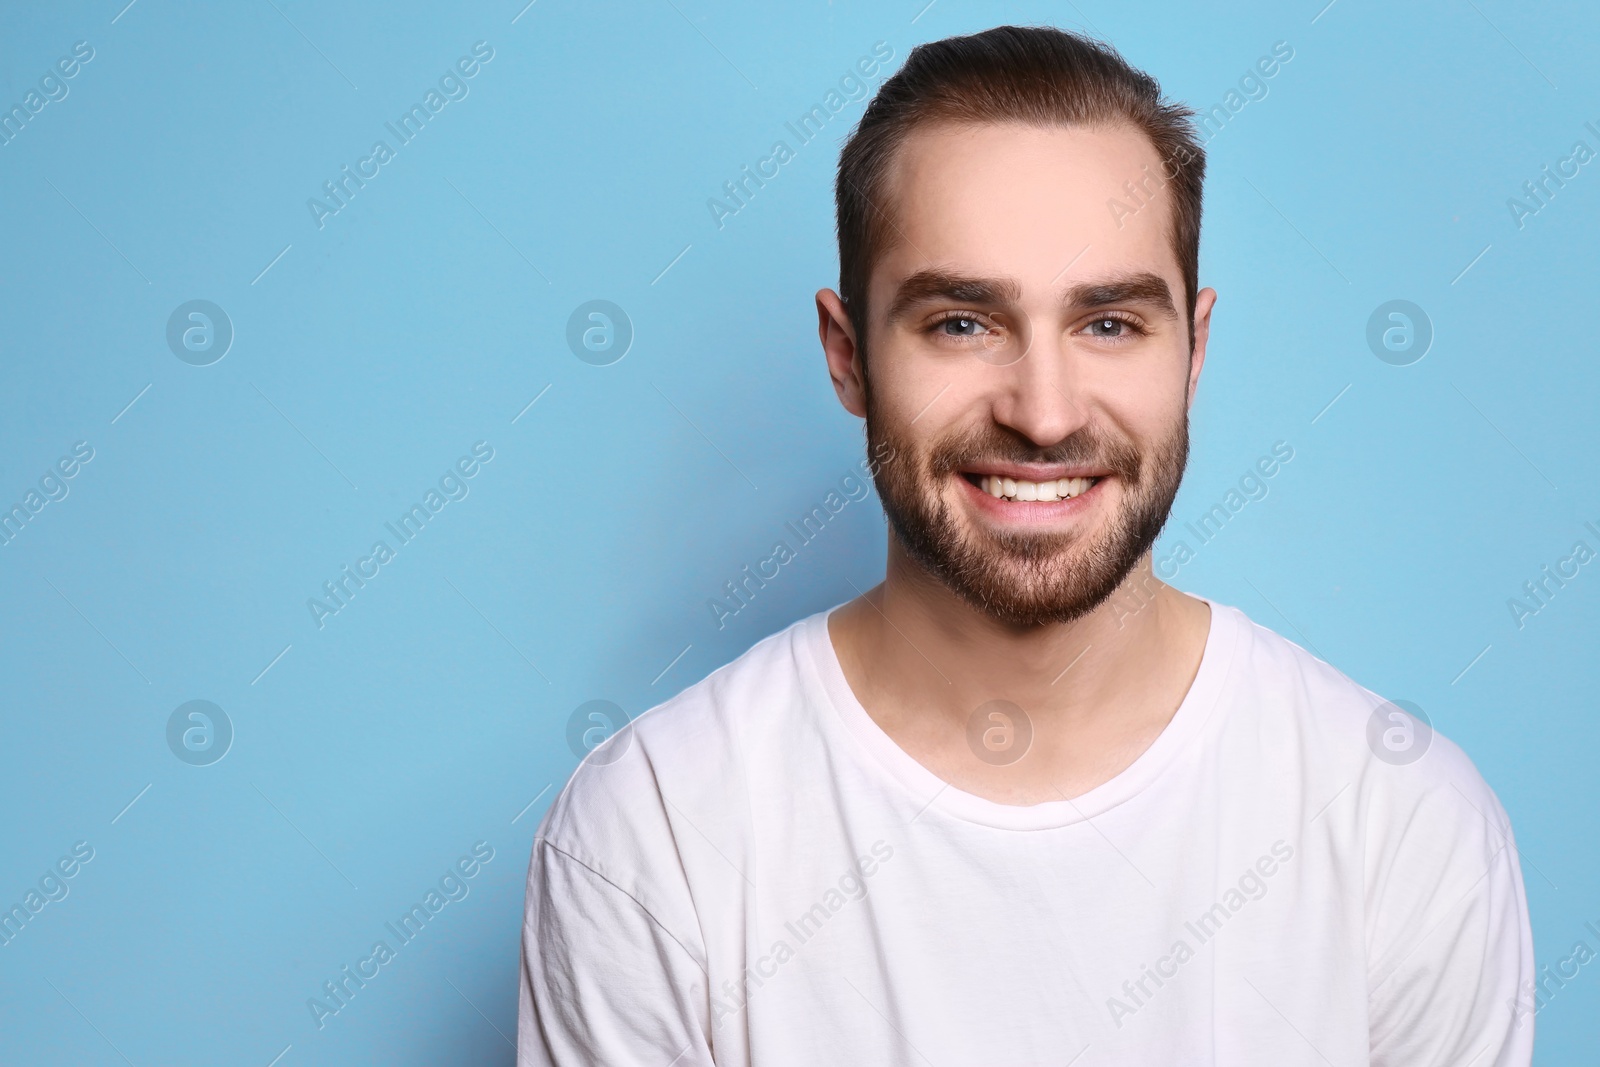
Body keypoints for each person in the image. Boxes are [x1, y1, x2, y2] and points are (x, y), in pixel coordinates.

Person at [518, 24, 1533, 1065]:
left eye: (1108, 324)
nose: (1043, 415)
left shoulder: (1399, 827)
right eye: (961, 322)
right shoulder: (655, 835)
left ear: (1194, 352)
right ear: (847, 355)